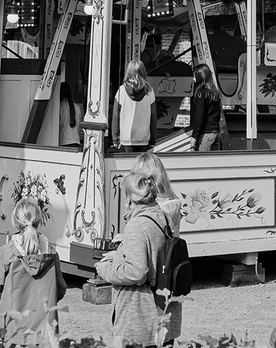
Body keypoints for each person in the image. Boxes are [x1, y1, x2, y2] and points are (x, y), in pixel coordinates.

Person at [93, 162, 181, 348]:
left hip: (140, 319)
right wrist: (118, 255)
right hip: (165, 313)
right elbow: (154, 252)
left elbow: (137, 272)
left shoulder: (137, 225)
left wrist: (105, 269)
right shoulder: (165, 216)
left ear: (128, 198)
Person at [0, 196, 65, 338]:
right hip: (44, 330)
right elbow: (60, 288)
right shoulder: (51, 253)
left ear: (15, 222)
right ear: (39, 221)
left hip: (10, 328)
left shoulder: (6, 252)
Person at [109, 61, 157, 154]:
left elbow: (115, 117)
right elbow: (153, 117)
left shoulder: (122, 91)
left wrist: (115, 139)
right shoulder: (149, 91)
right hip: (143, 138)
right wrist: (153, 140)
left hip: (126, 138)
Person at [189, 64, 223, 152]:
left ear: (200, 77)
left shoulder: (201, 93)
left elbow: (199, 117)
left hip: (206, 133)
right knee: (214, 163)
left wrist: (194, 136)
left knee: (201, 161)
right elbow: (219, 114)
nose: (193, 79)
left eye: (195, 76)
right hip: (216, 131)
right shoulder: (215, 92)